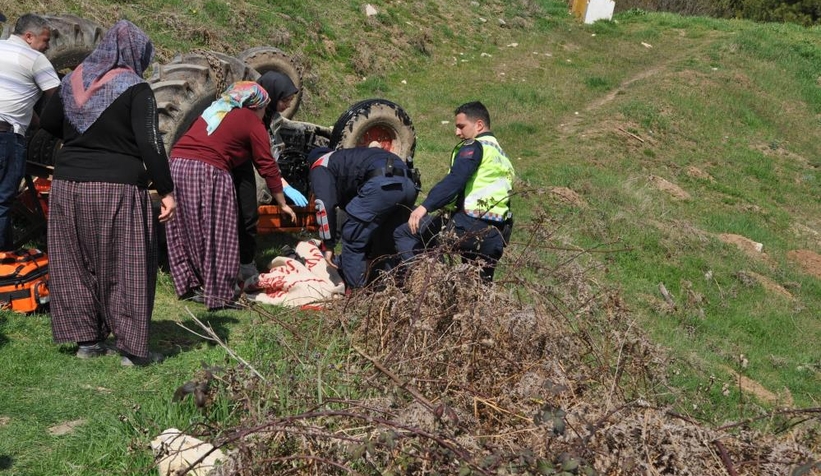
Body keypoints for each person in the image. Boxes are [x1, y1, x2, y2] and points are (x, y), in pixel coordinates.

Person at [40, 20, 176, 366]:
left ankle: (87, 342)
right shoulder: (135, 88)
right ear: (134, 54)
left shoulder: (73, 81)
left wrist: (78, 139)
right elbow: (151, 142)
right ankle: (132, 350)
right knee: (127, 265)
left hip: (68, 185)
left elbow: (48, 123)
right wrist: (166, 190)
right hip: (116, 188)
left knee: (75, 262)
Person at [165, 81, 296, 310]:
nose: (264, 112)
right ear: (254, 104)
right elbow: (266, 165)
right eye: (264, 107)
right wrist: (282, 202)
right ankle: (220, 296)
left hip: (177, 165)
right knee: (220, 233)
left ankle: (191, 284)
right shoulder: (250, 120)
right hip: (209, 170)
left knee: (187, 227)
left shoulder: (214, 111)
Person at [394, 101, 514, 282]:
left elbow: (456, 180)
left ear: (479, 125)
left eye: (461, 126)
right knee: (478, 291)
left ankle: (430, 286)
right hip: (494, 235)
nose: (457, 132)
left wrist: (425, 207)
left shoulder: (475, 146)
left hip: (468, 227)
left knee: (404, 233)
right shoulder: (502, 156)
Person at [307, 144, 419, 289]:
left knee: (353, 238)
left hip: (382, 183)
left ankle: (358, 296)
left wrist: (328, 245)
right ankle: (394, 287)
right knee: (387, 239)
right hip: (409, 184)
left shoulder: (319, 165)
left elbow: (324, 205)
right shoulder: (347, 157)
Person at [234, 71, 307, 290]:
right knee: (242, 216)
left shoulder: (268, 117)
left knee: (247, 216)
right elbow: (265, 161)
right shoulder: (250, 114)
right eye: (284, 100)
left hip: (245, 165)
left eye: (290, 100)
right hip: (233, 165)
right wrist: (282, 189)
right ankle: (238, 268)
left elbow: (267, 157)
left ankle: (244, 264)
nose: (287, 105)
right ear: (272, 95)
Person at [0, 13, 59, 251]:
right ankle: (3, 269)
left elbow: (12, 98)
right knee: (1, 203)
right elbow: (59, 101)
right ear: (29, 37)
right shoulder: (35, 59)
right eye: (45, 41)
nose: (47, 47)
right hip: (4, 136)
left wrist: (36, 122)